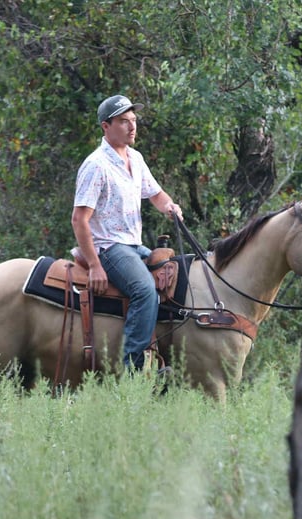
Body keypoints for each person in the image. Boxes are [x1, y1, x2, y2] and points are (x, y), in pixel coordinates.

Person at [71, 94, 182, 371]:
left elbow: (156, 194)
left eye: (133, 120)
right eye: (123, 121)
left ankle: (169, 356)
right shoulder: (96, 165)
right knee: (145, 290)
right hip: (109, 247)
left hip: (133, 245)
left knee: (179, 275)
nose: (132, 127)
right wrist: (95, 265)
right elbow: (79, 219)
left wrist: (170, 207)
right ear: (105, 126)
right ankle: (133, 370)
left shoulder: (135, 158)